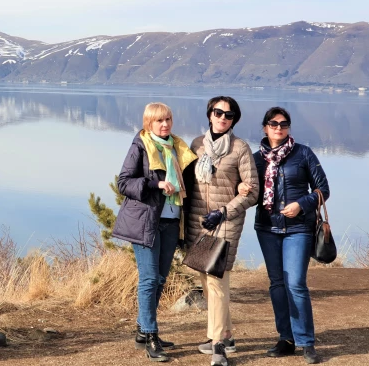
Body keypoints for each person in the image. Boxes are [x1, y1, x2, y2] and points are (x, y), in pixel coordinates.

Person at [112, 102, 198, 363]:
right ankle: (150, 334)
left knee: (160, 279)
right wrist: (156, 183)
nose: (165, 124)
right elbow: (124, 182)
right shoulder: (141, 145)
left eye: (168, 119)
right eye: (159, 121)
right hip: (145, 222)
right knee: (149, 279)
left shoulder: (178, 147)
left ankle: (143, 330)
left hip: (172, 221)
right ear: (148, 123)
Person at [252, 106, 330, 365]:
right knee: (277, 284)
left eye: (284, 124)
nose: (279, 128)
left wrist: (302, 204)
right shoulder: (256, 159)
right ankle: (286, 339)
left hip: (298, 228)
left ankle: (306, 342)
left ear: (289, 127)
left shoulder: (303, 153)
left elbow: (323, 189)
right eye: (273, 123)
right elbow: (247, 192)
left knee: (295, 283)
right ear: (265, 127)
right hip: (267, 228)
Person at [186, 96, 259, 366]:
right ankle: (226, 334)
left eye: (229, 115)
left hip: (226, 222)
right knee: (208, 282)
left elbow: (252, 192)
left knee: (216, 282)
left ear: (234, 120)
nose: (222, 117)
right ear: (209, 114)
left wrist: (224, 211)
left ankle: (217, 345)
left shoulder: (240, 148)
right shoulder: (196, 145)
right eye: (218, 112)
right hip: (199, 222)